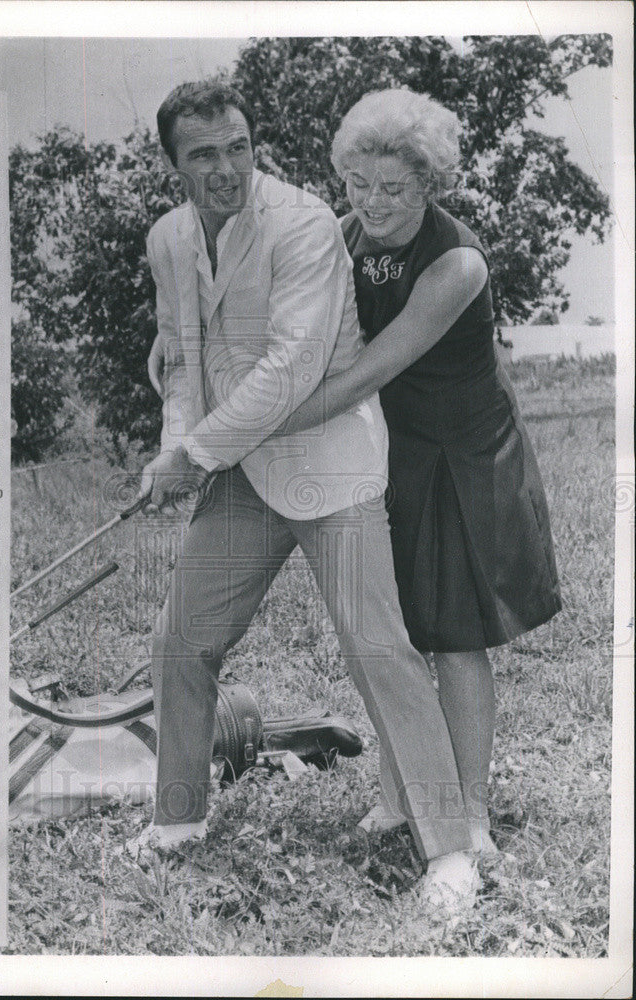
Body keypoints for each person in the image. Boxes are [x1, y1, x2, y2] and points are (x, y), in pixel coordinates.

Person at [136, 79, 482, 907]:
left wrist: (197, 450)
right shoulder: (168, 238)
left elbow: (292, 367)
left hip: (334, 466)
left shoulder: (304, 228)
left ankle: (451, 855)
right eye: (203, 155)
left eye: (239, 147)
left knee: (379, 652)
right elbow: (181, 357)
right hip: (248, 474)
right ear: (174, 164)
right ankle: (177, 821)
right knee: (180, 641)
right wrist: (173, 445)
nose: (226, 169)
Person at [246, 88, 562, 852]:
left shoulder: (456, 262)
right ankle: (402, 795)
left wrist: (255, 420)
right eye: (358, 185)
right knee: (392, 635)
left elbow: (363, 374)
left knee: (454, 639)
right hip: (393, 454)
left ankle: (473, 816)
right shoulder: (348, 234)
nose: (373, 203)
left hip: (465, 458)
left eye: (394, 189)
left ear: (430, 183)